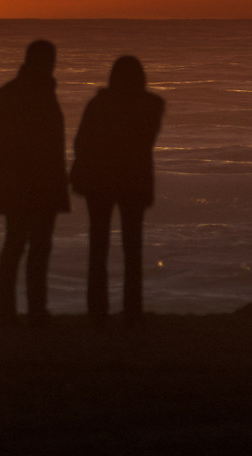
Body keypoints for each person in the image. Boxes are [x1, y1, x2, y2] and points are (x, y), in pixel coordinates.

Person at [70, 55, 165, 327]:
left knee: (98, 247)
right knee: (132, 248)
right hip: (134, 183)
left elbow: (81, 143)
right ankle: (132, 311)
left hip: (99, 183)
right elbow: (144, 142)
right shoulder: (151, 107)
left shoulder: (98, 105)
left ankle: (97, 311)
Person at [0, 39, 68, 325]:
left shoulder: (11, 93)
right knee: (26, 246)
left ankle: (22, 310)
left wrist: (5, 175)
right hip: (30, 182)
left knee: (24, 245)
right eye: (49, 61)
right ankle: (26, 310)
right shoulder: (33, 94)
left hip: (28, 182)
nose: (52, 66)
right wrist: (7, 175)